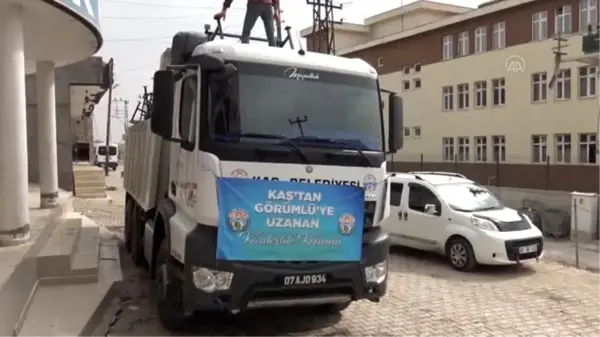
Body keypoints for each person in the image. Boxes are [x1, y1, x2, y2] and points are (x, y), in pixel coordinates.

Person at [215, 0, 280, 47]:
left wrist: (224, 9)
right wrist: (276, 11)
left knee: (246, 32)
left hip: (254, 4)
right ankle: (274, 55)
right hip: (267, 5)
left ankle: (245, 51)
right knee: (271, 35)